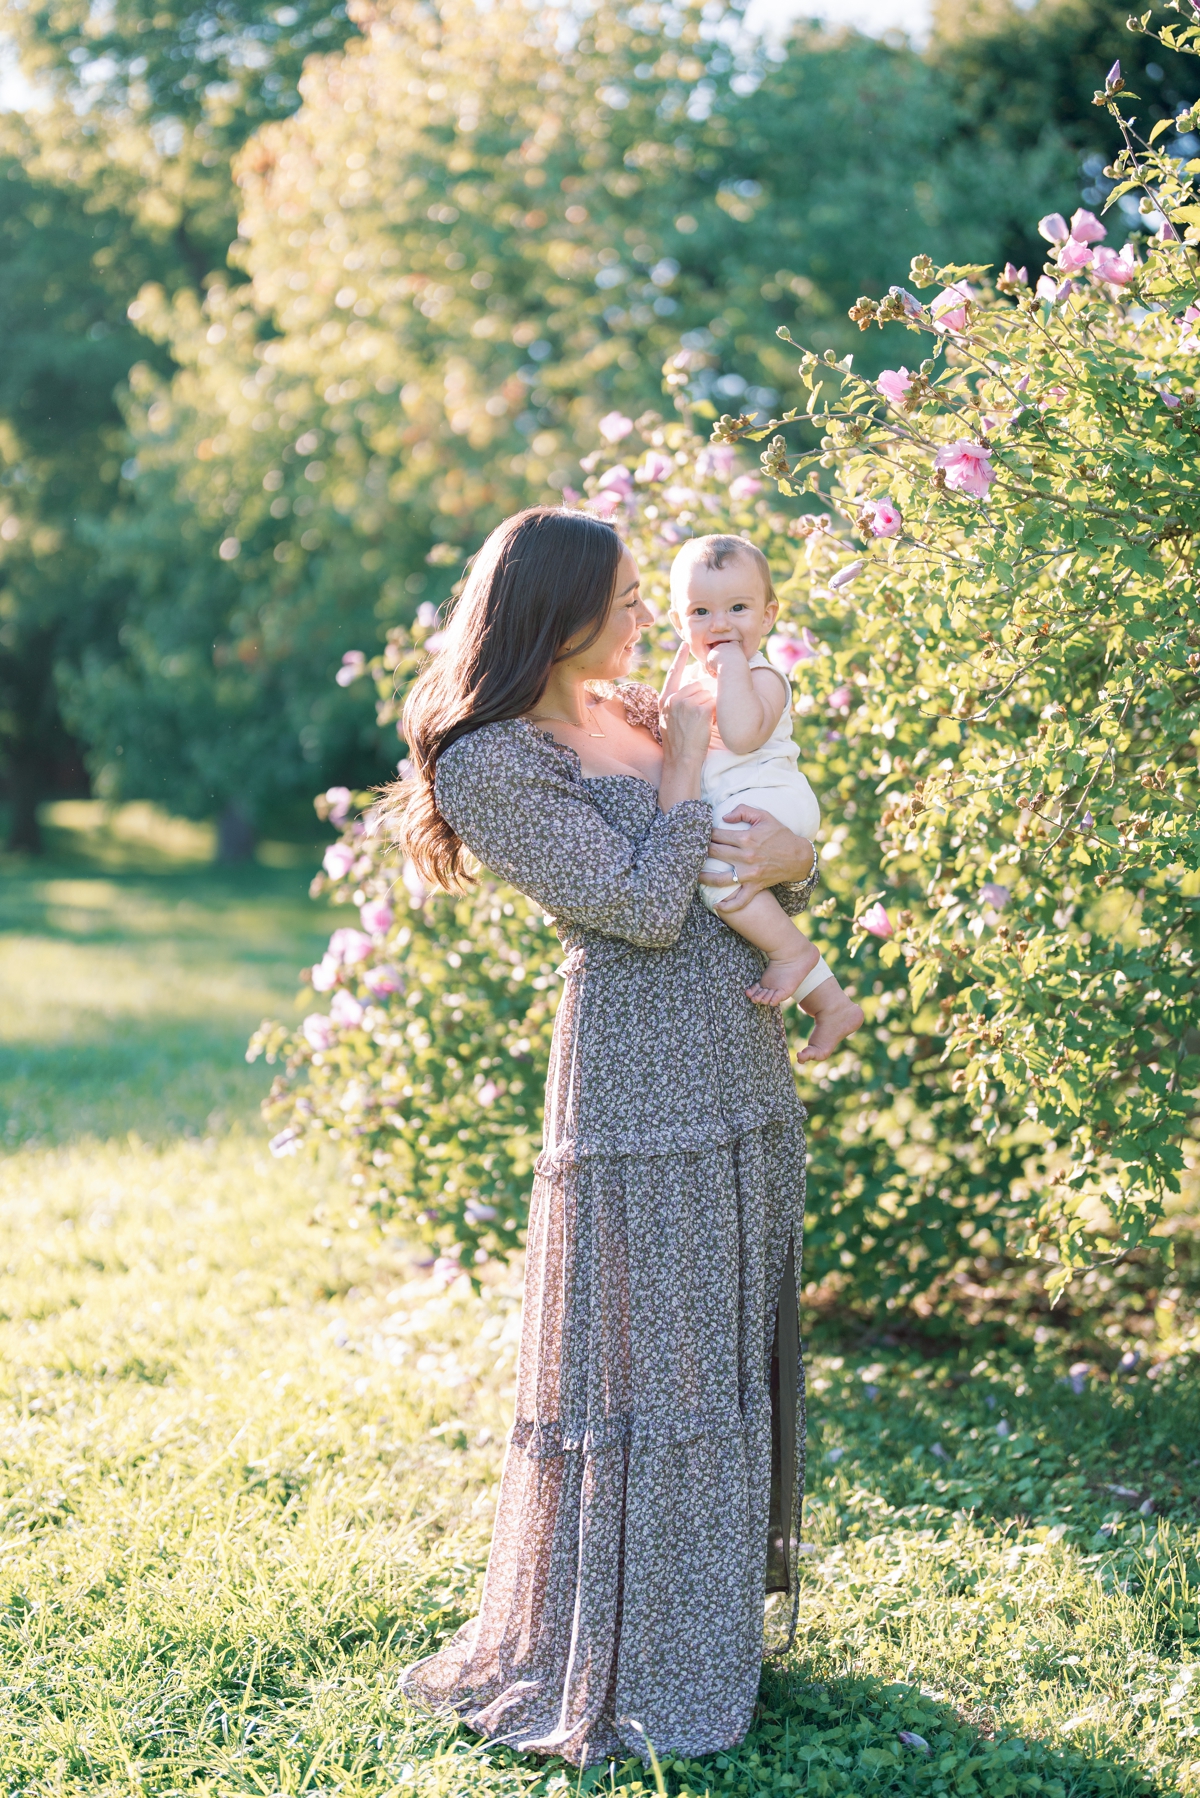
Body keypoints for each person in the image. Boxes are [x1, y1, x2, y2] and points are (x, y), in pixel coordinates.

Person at [386, 506, 823, 1769]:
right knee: (649, 1364)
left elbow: (768, 851)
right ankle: (625, 1649)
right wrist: (687, 772)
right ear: (557, 609)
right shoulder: (491, 761)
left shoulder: (632, 705)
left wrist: (797, 843)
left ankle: (708, 1632)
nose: (652, 618)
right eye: (631, 597)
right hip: (637, 1080)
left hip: (736, 1048)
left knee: (724, 1336)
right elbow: (636, 904)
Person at [663, 533, 863, 1062]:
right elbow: (669, 727)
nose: (721, 624)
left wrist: (728, 670)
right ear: (679, 624)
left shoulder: (764, 676)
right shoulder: (695, 673)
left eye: (738, 608)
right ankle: (830, 1002)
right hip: (743, 809)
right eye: (701, 611)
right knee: (740, 890)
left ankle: (790, 951)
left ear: (768, 616)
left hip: (774, 802)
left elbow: (743, 734)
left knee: (715, 882)